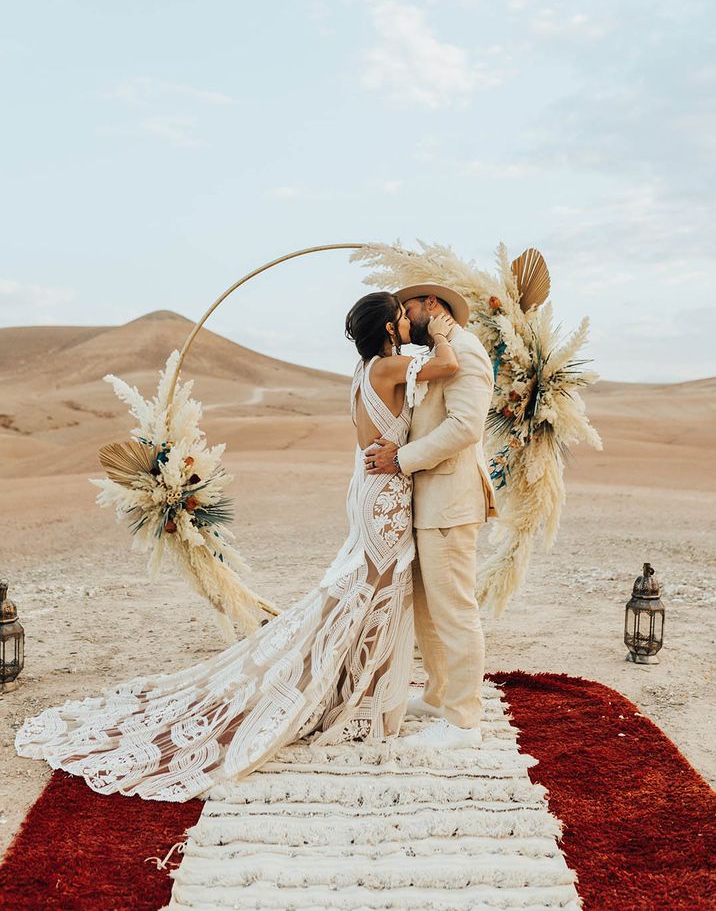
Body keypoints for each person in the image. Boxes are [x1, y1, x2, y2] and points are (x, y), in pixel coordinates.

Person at [15, 292, 460, 802]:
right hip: (384, 498)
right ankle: (361, 703)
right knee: (374, 595)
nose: (409, 320)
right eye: (403, 315)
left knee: (368, 593)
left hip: (371, 491)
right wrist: (442, 331)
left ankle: (364, 696)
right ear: (387, 328)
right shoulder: (388, 367)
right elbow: (446, 364)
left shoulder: (363, 373)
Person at [364, 283, 497, 749]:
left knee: (455, 610)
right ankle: (440, 696)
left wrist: (399, 458)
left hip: (449, 501)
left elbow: (465, 426)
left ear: (432, 306)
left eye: (409, 308)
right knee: (429, 611)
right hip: (427, 502)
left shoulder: (465, 351)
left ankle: (463, 723)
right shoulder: (439, 353)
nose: (404, 317)